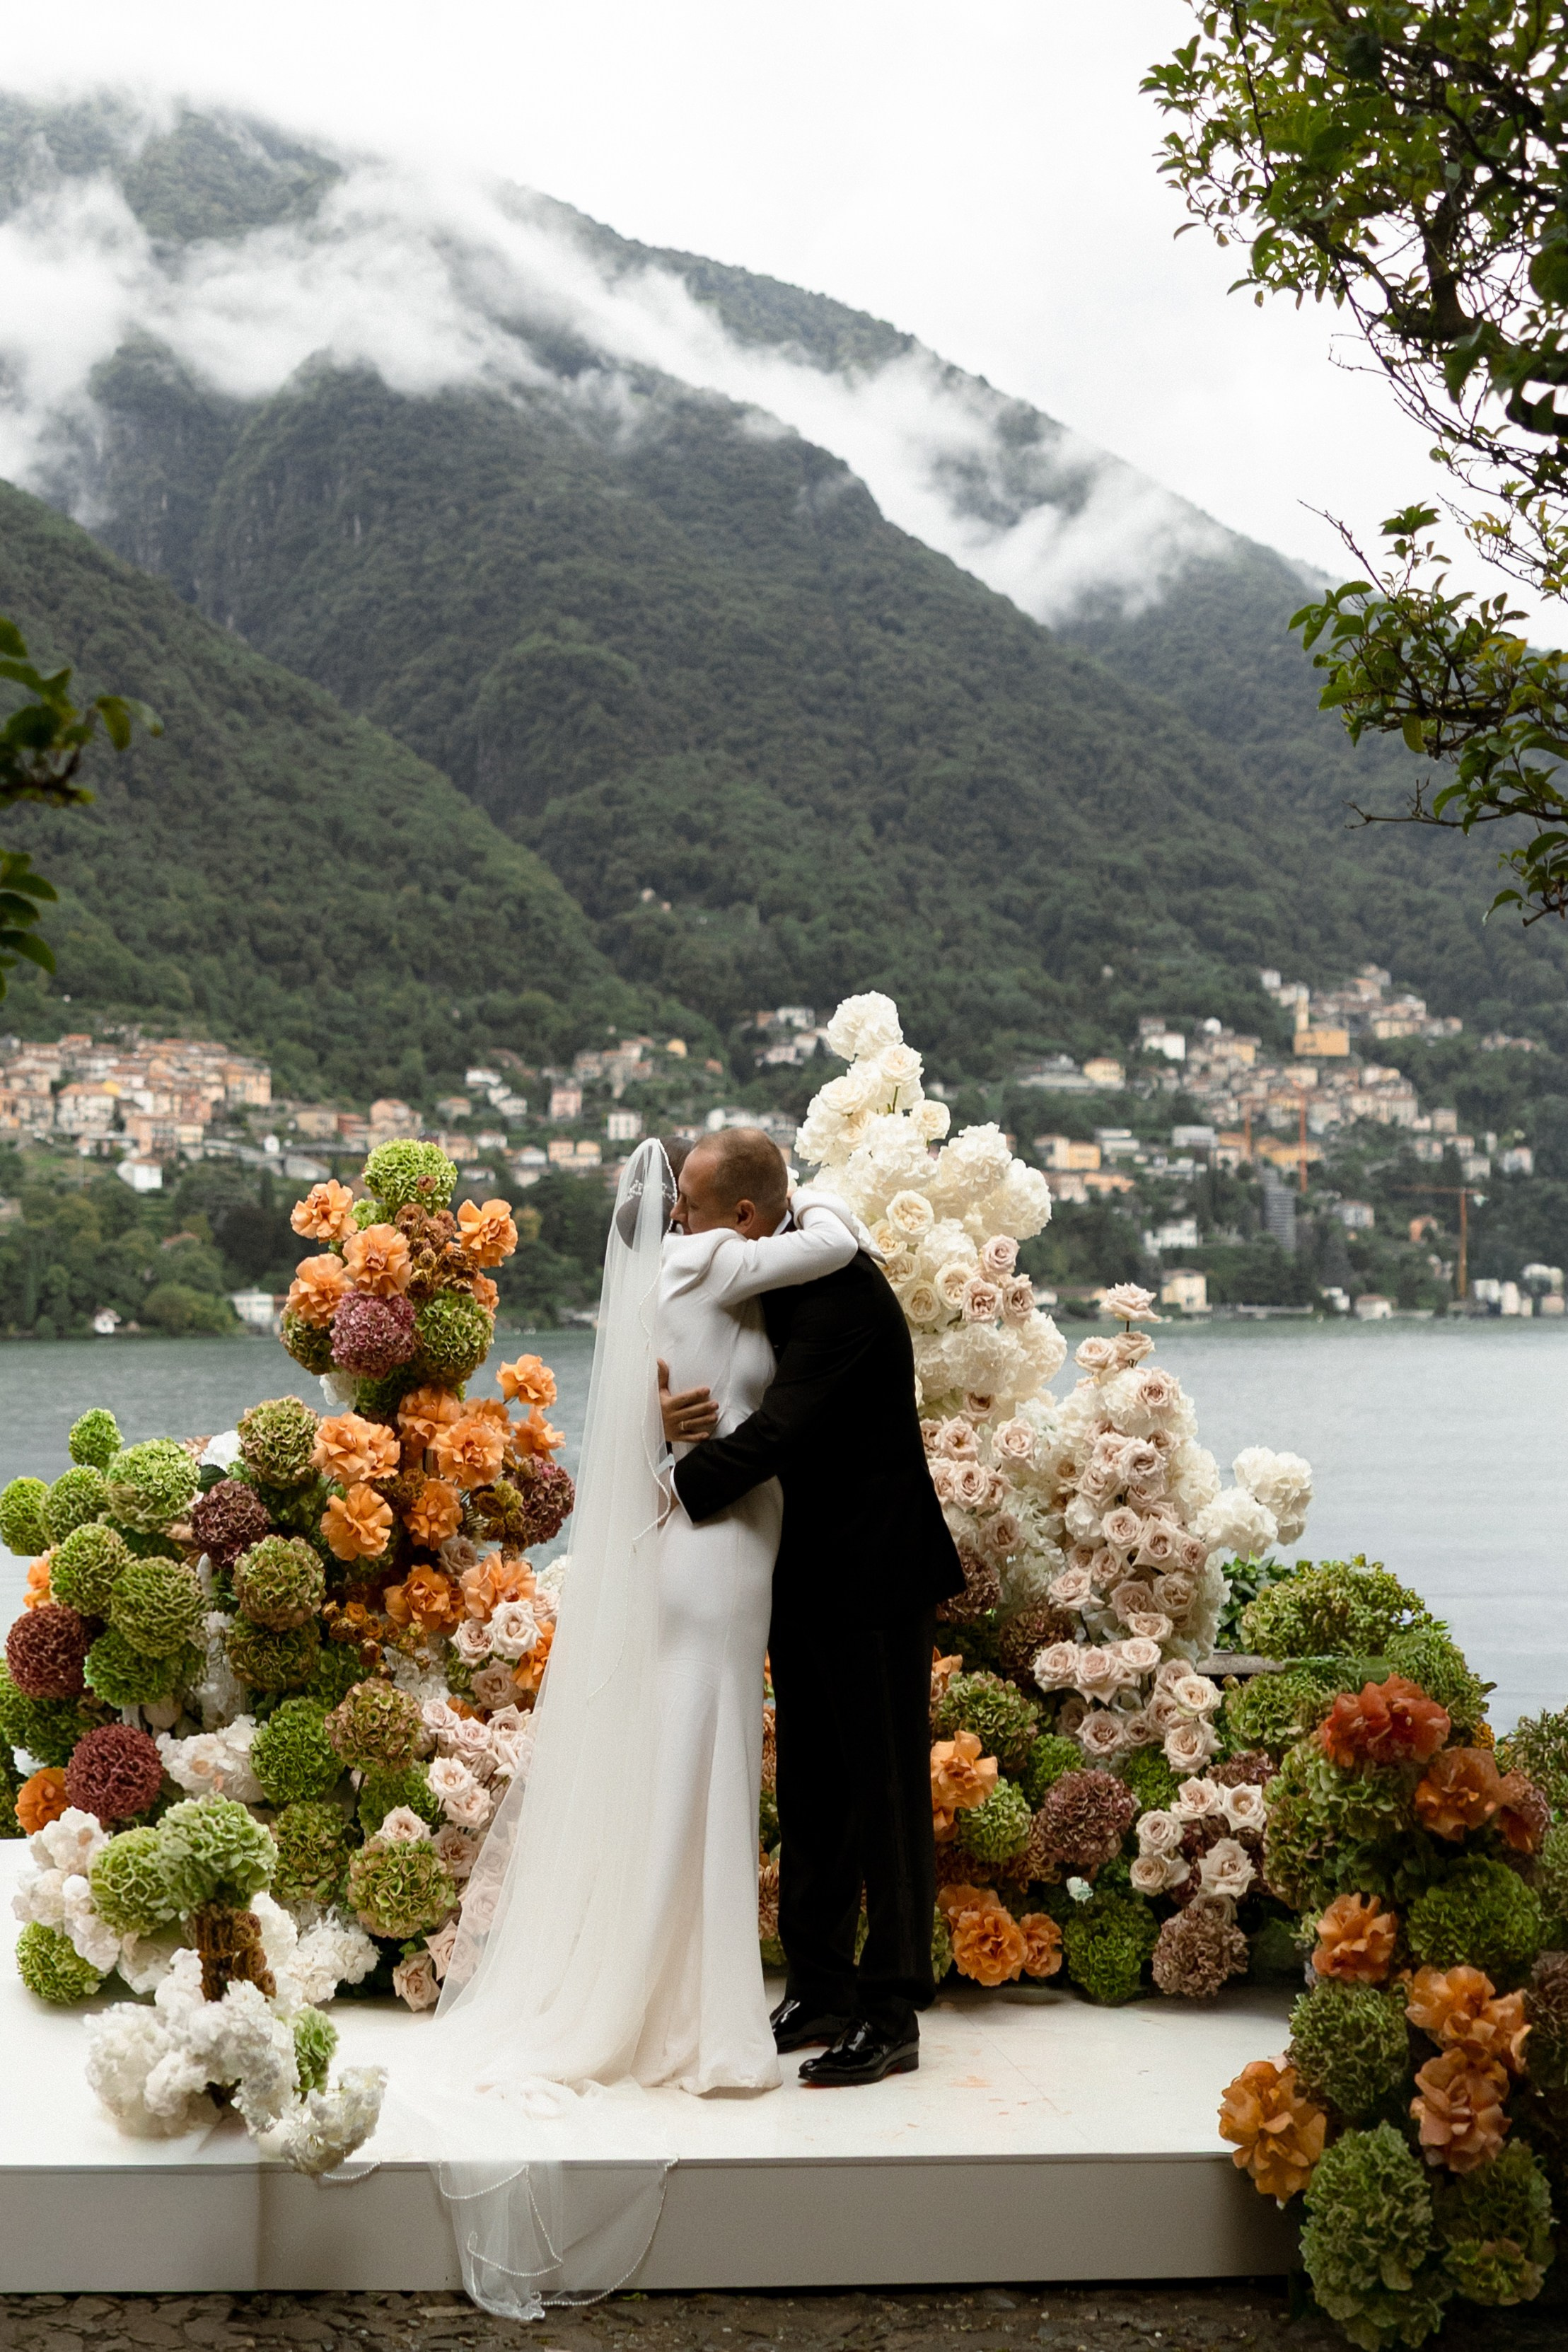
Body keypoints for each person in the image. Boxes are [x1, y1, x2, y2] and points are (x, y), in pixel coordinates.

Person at [407, 1134, 871, 2312]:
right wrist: (796, 1202)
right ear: (733, 1209)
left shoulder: (662, 1264)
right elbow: (844, 1239)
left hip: (688, 1523)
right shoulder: (720, 1255)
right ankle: (695, 2018)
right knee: (704, 1756)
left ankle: (672, 1985)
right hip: (719, 1542)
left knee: (692, 1753)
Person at [670, 1166, 964, 2087]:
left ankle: (890, 2008)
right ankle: (821, 1984)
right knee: (811, 1790)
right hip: (802, 1571)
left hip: (875, 1574)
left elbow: (783, 1427)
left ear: (749, 1216)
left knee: (882, 1796)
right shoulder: (778, 1277)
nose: (681, 1223)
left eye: (695, 1208)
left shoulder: (840, 1291)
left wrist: (671, 1485)